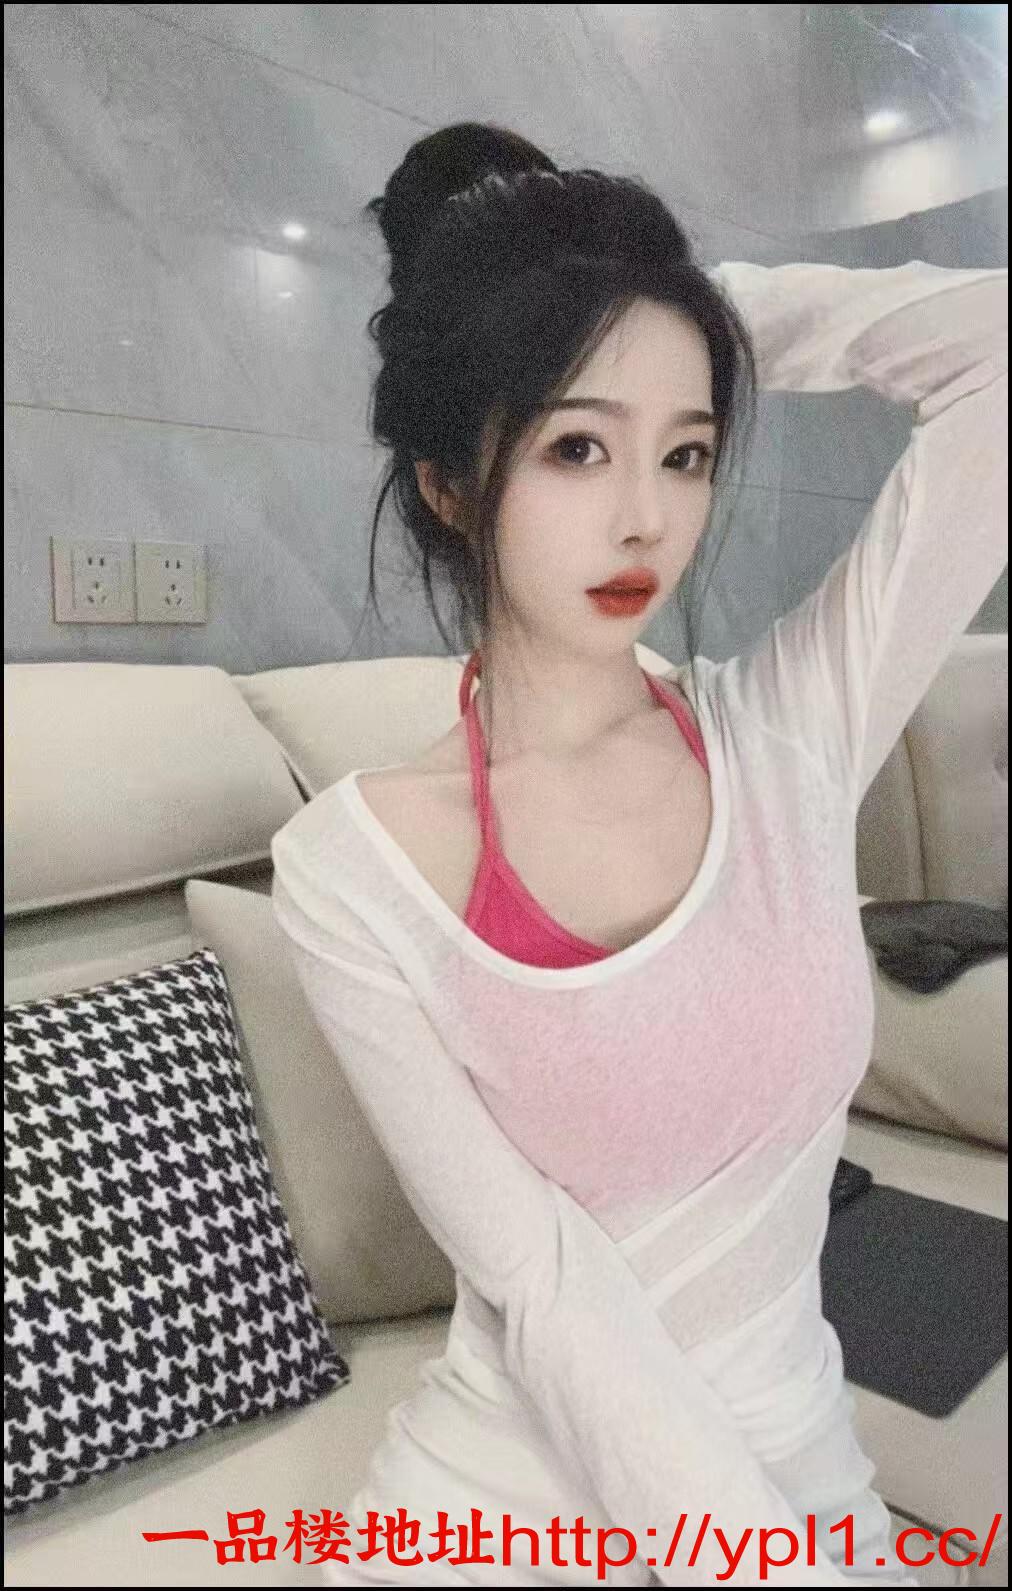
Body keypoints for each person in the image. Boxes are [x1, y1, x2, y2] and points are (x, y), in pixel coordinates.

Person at [270, 122, 1008, 1587]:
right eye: (576, 445)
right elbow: (541, 1283)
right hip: (499, 1505)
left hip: (802, 1474)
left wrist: (683, 309)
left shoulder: (790, 738)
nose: (645, 517)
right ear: (450, 483)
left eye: (687, 451)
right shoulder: (352, 869)